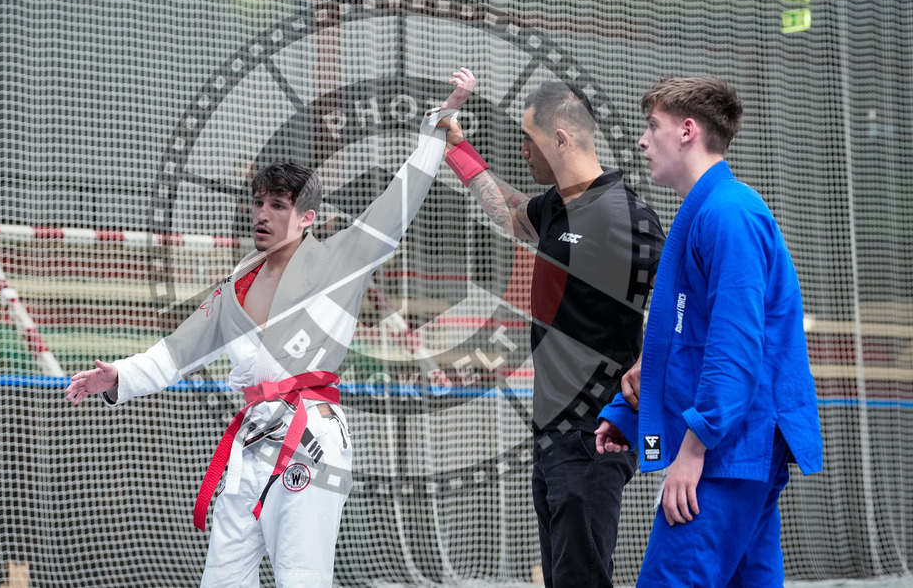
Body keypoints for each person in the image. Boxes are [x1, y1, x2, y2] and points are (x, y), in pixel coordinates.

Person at [65, 68, 477, 587]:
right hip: (251, 443)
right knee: (222, 579)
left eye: (278, 205)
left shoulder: (342, 259)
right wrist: (119, 376)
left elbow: (399, 200)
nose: (262, 214)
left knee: (301, 577)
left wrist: (436, 127)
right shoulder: (235, 286)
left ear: (306, 218)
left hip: (314, 441)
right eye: (258, 203)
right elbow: (177, 351)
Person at [595, 76, 824, 586]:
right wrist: (630, 413)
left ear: (687, 131)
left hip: (728, 450)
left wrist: (695, 450)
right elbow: (684, 342)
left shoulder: (728, 213)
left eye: (652, 126)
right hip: (735, 447)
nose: (642, 141)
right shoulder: (710, 211)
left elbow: (735, 347)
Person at [440, 80, 665, 588]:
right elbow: (505, 211)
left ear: (560, 139)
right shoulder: (555, 207)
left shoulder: (624, 216)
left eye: (529, 138)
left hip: (595, 432)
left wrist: (647, 361)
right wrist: (456, 146)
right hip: (554, 433)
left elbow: (686, 294)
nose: (523, 150)